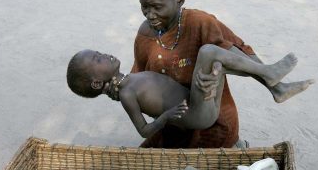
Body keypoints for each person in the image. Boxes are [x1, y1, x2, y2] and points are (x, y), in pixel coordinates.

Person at [117, 0, 314, 148]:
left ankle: (274, 85)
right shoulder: (145, 37)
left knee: (214, 54)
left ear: (179, 0)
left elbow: (239, 54)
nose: (150, 14)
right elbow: (139, 83)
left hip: (214, 122)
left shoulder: (200, 22)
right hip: (175, 125)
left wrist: (214, 74)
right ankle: (276, 86)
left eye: (158, 7)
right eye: (145, 7)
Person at [67, 46, 300, 139]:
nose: (104, 54)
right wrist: (167, 116)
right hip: (198, 114)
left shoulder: (128, 80)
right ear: (98, 84)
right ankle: (269, 76)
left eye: (98, 51)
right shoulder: (127, 94)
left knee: (220, 54)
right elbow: (144, 131)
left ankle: (276, 87)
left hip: (199, 98)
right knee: (209, 51)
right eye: (98, 58)